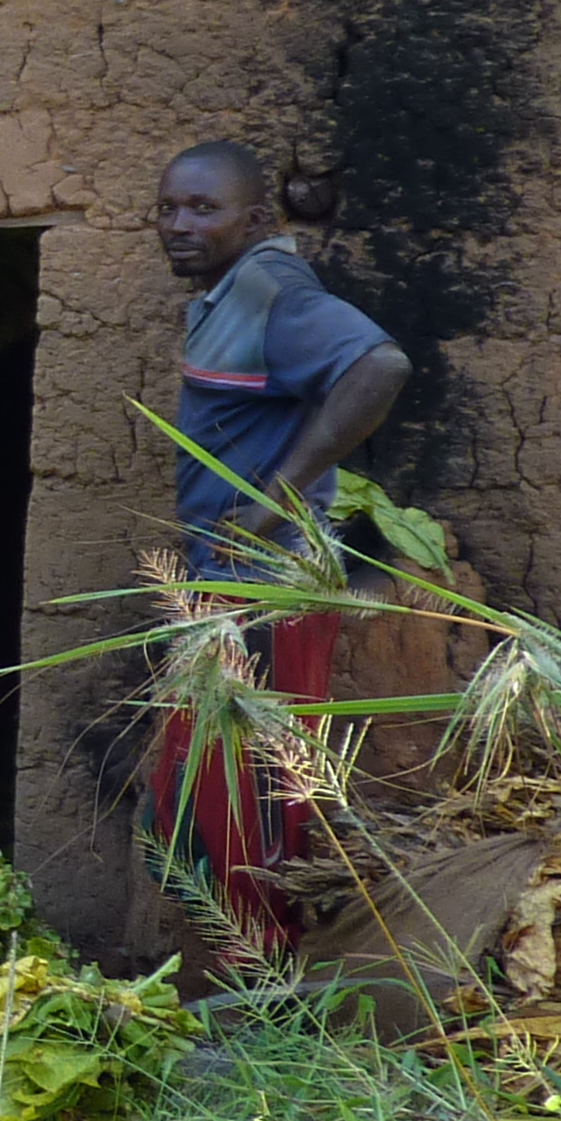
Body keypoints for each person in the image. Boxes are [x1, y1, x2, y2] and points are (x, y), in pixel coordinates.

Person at [146, 139, 411, 948]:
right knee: (209, 794)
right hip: (228, 581)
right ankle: (252, 981)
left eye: (203, 208)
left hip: (261, 587)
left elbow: (380, 365)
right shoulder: (231, 295)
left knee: (245, 796)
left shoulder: (270, 290)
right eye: (168, 208)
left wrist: (275, 495)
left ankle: (263, 986)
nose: (179, 224)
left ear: (256, 219)